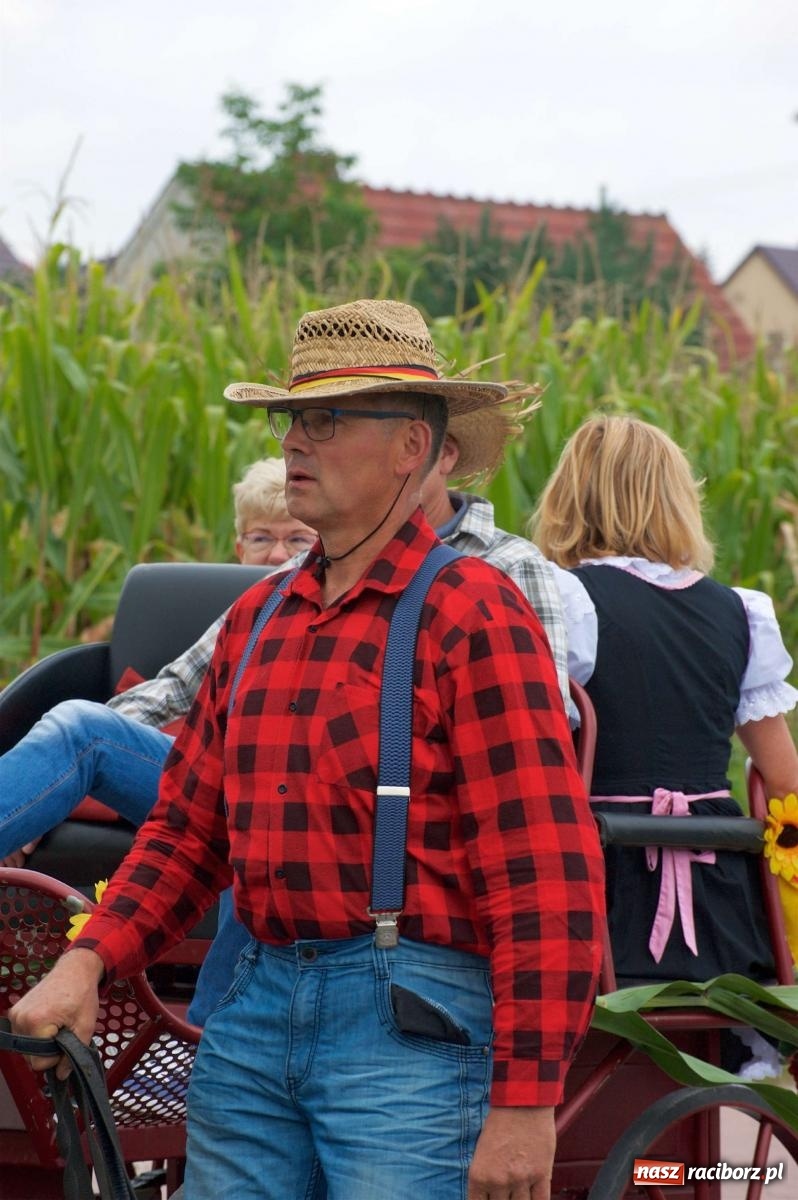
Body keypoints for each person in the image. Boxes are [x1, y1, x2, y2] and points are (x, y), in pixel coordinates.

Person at [11, 299, 605, 1200]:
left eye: (327, 419)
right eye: (292, 418)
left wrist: (525, 1103)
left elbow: (542, 871)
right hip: (253, 1012)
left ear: (411, 446)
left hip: (412, 1027)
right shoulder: (257, 619)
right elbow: (186, 834)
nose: (295, 441)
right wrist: (86, 960)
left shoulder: (475, 612)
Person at [532, 413, 798, 986]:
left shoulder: (565, 599)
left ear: (567, 498)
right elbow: (783, 780)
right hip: (721, 890)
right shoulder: (738, 611)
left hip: (602, 880)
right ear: (678, 500)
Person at [0, 458, 315, 868]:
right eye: (261, 538)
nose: (277, 554)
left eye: (297, 540)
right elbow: (177, 689)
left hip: (298, 793)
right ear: (239, 546)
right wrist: (49, 785)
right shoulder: (276, 590)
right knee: (80, 730)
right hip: (219, 776)